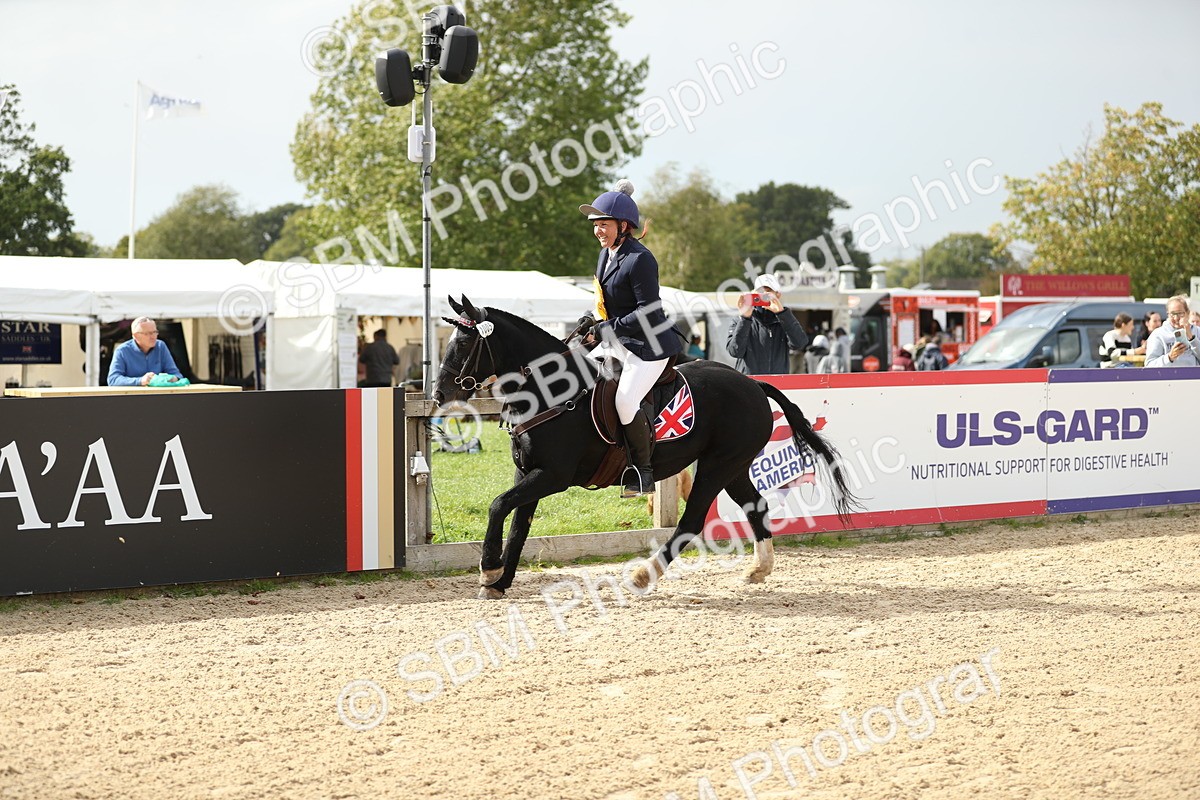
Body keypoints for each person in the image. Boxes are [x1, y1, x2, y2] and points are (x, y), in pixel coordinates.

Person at [578, 180, 682, 497]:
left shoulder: (640, 259)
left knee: (624, 401)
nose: (598, 230)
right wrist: (592, 321)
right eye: (595, 225)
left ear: (623, 226)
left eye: (604, 224)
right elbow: (606, 304)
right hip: (618, 342)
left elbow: (649, 311)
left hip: (648, 346)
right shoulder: (606, 256)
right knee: (579, 377)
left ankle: (643, 472)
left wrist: (608, 328)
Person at [726, 274, 808, 375]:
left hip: (777, 385)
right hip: (749, 386)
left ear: (778, 295)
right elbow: (735, 351)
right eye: (760, 292)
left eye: (768, 292)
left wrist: (782, 313)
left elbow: (800, 344)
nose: (763, 295)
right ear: (753, 293)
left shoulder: (784, 320)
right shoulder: (740, 320)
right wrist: (745, 318)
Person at [107, 317, 183, 386]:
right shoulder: (122, 351)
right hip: (131, 398)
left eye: (154, 332)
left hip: (158, 397)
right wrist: (140, 381)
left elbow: (176, 374)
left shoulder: (161, 346)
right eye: (148, 333)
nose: (153, 336)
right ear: (135, 336)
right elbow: (113, 380)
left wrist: (171, 379)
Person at [1145, 295, 1200, 367]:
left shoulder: (1197, 331)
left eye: (1180, 313)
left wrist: (1191, 337)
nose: (1176, 318)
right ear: (1167, 314)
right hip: (1168, 377)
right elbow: (1149, 365)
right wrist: (1169, 357)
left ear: (1188, 313)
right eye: (1173, 314)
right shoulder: (1158, 335)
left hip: (1194, 377)